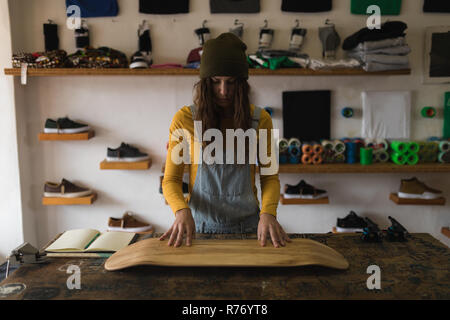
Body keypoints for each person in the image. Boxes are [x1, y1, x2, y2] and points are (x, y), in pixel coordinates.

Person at [160, 33, 291, 248]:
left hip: (249, 228)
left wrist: (268, 213)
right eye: (215, 82)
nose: (223, 91)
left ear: (242, 84)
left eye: (230, 82)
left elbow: (270, 177)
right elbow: (171, 180)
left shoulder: (260, 120)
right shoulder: (184, 119)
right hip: (198, 228)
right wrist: (181, 210)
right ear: (204, 83)